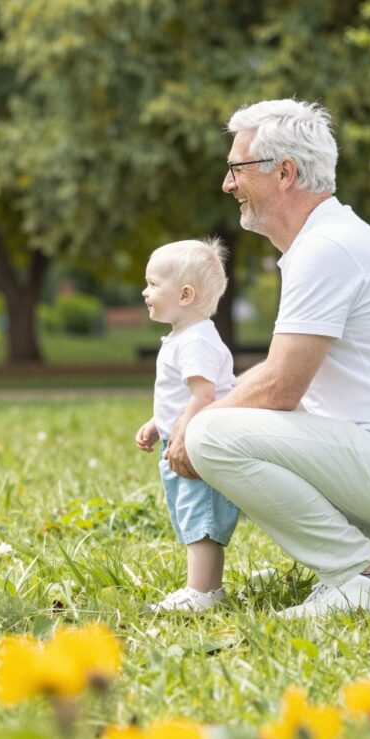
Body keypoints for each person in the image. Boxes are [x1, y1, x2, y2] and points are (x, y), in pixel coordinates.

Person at [166, 99, 370, 618]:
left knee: (212, 436)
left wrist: (196, 424)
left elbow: (281, 387)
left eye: (237, 168)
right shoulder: (327, 239)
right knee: (230, 421)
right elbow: (288, 383)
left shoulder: (326, 247)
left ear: (284, 172)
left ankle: (363, 578)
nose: (227, 183)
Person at [134, 239, 242, 612]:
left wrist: (179, 434)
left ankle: (202, 592)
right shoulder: (186, 337)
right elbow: (184, 396)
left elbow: (204, 395)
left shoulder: (195, 341)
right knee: (192, 516)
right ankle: (207, 589)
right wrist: (159, 423)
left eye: (152, 284)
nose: (145, 292)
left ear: (185, 294)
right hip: (181, 440)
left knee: (202, 518)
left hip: (196, 446)